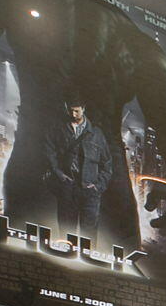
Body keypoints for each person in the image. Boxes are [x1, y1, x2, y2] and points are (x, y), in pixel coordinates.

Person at [43, 101, 114, 244]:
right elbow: (49, 154)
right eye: (70, 111)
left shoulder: (97, 134)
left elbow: (107, 164)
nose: (73, 114)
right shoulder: (58, 130)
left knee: (89, 236)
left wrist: (98, 187)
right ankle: (65, 262)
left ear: (84, 108)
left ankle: (87, 263)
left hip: (90, 191)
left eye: (76, 111)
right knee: (66, 232)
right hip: (68, 188)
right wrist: (60, 175)